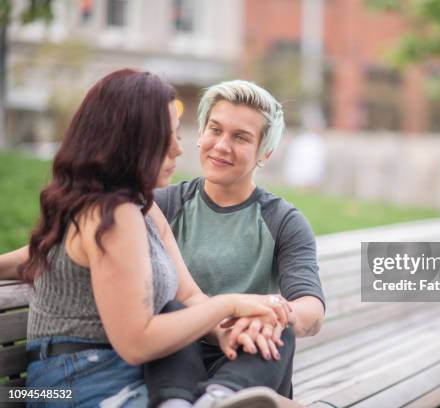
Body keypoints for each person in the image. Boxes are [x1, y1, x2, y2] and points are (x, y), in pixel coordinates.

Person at [0, 69, 291, 407]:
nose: (178, 150)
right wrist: (230, 304)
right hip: (80, 382)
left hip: (133, 374)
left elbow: (190, 295)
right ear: (131, 139)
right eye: (165, 136)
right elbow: (137, 342)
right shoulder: (112, 214)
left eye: (178, 135)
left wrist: (229, 330)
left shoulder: (141, 209)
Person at [151, 80, 326, 405]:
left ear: (265, 153)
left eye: (240, 137)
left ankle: (220, 399)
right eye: (215, 130)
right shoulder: (163, 206)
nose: (221, 146)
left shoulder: (283, 221)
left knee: (279, 319)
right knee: (171, 308)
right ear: (201, 132)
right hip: (175, 365)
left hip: (251, 367)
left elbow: (311, 310)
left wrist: (272, 313)